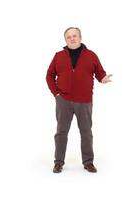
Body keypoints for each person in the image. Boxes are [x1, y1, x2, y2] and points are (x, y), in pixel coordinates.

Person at [46, 27, 112, 173]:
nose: (72, 38)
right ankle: (58, 162)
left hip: (84, 101)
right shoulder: (58, 55)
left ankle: (88, 162)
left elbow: (99, 72)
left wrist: (103, 78)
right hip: (63, 100)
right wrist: (56, 93)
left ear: (80, 37)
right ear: (65, 40)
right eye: (68, 37)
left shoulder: (91, 55)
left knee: (86, 132)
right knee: (61, 132)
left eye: (74, 36)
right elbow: (49, 75)